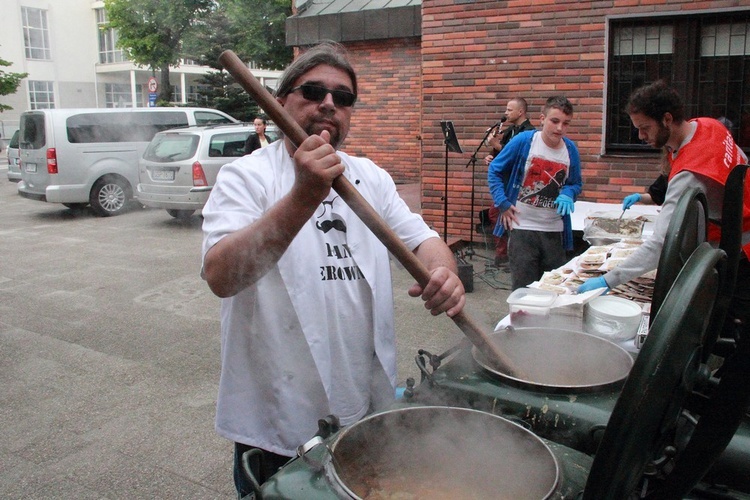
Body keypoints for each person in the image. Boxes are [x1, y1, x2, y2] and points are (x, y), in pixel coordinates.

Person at [200, 42, 466, 497]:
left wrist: (445, 272)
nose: (329, 103)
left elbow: (423, 239)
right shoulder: (246, 176)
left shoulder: (370, 176)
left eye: (343, 98)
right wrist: (304, 195)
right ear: (282, 99)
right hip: (279, 415)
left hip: (365, 404)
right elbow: (221, 277)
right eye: (313, 90)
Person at [578, 80, 750, 334]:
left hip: (741, 251)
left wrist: (609, 279)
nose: (640, 136)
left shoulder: (690, 173)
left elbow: (662, 243)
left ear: (667, 119)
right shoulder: (708, 125)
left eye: (645, 128)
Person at [487, 95, 583, 290]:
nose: (559, 128)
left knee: (553, 289)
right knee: (524, 290)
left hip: (554, 231)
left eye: (566, 124)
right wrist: (503, 203)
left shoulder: (570, 149)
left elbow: (575, 183)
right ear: (542, 119)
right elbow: (495, 169)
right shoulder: (524, 141)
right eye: (554, 121)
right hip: (523, 229)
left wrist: (568, 193)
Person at [483, 98, 536, 266]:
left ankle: (507, 255)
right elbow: (503, 155)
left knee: (506, 215)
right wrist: (492, 157)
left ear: (520, 112)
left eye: (509, 110)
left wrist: (496, 144)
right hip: (504, 180)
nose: (505, 113)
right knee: (495, 214)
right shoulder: (510, 130)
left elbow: (519, 156)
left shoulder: (529, 132)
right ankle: (503, 255)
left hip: (517, 184)